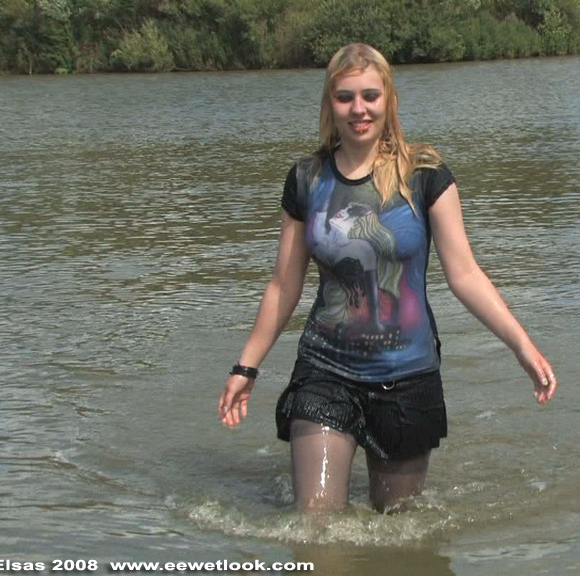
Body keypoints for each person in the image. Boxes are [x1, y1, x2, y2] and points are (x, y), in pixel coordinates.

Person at [218, 43, 557, 513]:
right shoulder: (306, 179)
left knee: (396, 525)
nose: (358, 109)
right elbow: (283, 284)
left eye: (370, 96)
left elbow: (465, 275)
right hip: (325, 370)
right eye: (345, 97)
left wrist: (522, 346)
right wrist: (246, 367)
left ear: (389, 100)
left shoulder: (425, 176)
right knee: (315, 520)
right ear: (330, 104)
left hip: (408, 378)